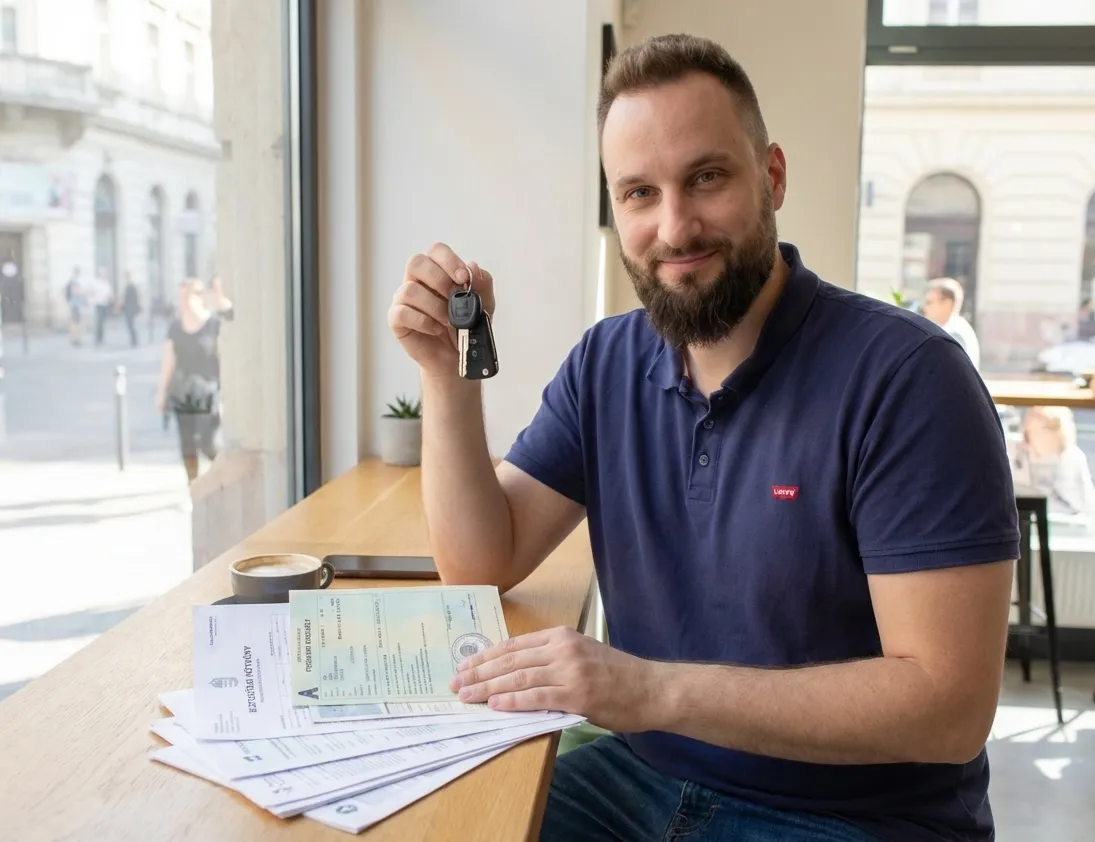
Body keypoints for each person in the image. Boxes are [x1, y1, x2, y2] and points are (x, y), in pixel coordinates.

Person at [389, 34, 1018, 842]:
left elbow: (947, 709)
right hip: (641, 780)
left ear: (773, 176)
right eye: (638, 194)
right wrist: (446, 378)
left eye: (706, 178)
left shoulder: (907, 379)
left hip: (851, 817)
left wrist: (649, 692)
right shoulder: (605, 363)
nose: (674, 226)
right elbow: (480, 559)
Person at [155, 278, 232, 482]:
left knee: (207, 441)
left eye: (186, 296)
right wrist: (161, 393)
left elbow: (225, 359)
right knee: (187, 443)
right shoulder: (175, 328)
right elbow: (168, 362)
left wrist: (226, 396)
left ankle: (224, 476)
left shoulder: (213, 325)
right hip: (183, 393)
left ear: (199, 298)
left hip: (208, 393)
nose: (182, 302)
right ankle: (193, 485)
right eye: (180, 297)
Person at [1010, 405, 1095, 532]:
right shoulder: (1014, 451)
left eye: (1044, 428)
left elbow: (1085, 507)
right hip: (1025, 525)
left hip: (1064, 527)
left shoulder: (1071, 457)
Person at [921, 276, 982, 370]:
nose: (924, 307)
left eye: (929, 302)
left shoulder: (954, 333)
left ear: (947, 303)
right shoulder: (954, 327)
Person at [64, 267, 85, 346]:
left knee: (75, 322)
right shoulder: (75, 281)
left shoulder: (74, 281)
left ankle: (75, 337)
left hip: (75, 305)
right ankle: (75, 338)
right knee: (75, 322)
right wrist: (81, 291)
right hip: (75, 305)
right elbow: (76, 291)